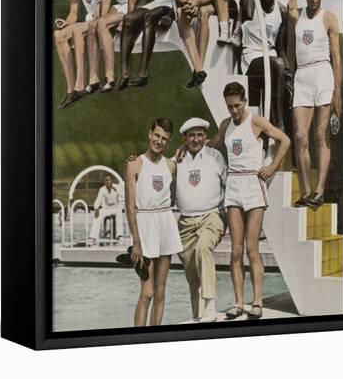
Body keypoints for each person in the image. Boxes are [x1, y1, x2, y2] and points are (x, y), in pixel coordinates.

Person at [207, 82, 290, 319]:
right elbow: (213, 143)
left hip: (253, 186)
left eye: (237, 105)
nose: (233, 110)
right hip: (233, 185)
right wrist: (187, 146)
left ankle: (257, 301)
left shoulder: (256, 121)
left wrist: (272, 166)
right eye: (229, 106)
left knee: (252, 248)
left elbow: (285, 140)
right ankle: (239, 302)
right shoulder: (225, 125)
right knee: (235, 250)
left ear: (244, 101)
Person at [290, 0, 342, 207]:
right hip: (302, 76)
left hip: (323, 74)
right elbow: (291, 48)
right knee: (300, 136)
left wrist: (337, 91)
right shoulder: (296, 16)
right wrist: (291, 74)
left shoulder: (329, 18)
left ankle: (319, 191)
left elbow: (336, 57)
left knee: (320, 136)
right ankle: (306, 191)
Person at [124, 118, 183, 326]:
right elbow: (130, 207)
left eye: (164, 138)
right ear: (150, 134)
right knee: (147, 292)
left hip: (165, 223)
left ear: (168, 142)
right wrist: (136, 241)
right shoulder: (134, 164)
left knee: (160, 291)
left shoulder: (171, 166)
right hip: (145, 226)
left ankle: (155, 336)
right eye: (156, 135)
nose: (159, 141)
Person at [176, 118, 227, 323]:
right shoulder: (178, 158)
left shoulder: (215, 156)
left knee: (203, 248)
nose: (196, 139)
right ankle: (199, 317)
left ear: (205, 136)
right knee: (192, 276)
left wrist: (227, 215)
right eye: (191, 135)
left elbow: (228, 184)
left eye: (200, 134)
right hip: (185, 223)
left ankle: (210, 306)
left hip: (211, 216)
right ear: (185, 138)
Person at [54, 0, 103, 109]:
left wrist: (103, 6)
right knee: (58, 35)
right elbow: (74, 12)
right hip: (88, 20)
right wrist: (65, 22)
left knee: (76, 29)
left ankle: (80, 85)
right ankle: (70, 90)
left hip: (103, 17)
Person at [241, 0, 290, 130]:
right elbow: (247, 14)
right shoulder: (251, 1)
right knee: (277, 65)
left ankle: (274, 126)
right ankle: (278, 124)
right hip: (252, 59)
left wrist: (288, 72)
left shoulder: (282, 11)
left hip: (273, 61)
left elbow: (280, 47)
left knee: (280, 67)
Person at [88, 175, 124, 245]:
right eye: (106, 180)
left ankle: (120, 235)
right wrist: (96, 208)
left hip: (116, 207)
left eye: (109, 180)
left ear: (112, 181)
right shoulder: (102, 189)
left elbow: (123, 197)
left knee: (119, 212)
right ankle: (93, 237)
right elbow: (98, 199)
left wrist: (117, 191)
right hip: (107, 208)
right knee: (97, 215)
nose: (107, 182)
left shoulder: (117, 187)